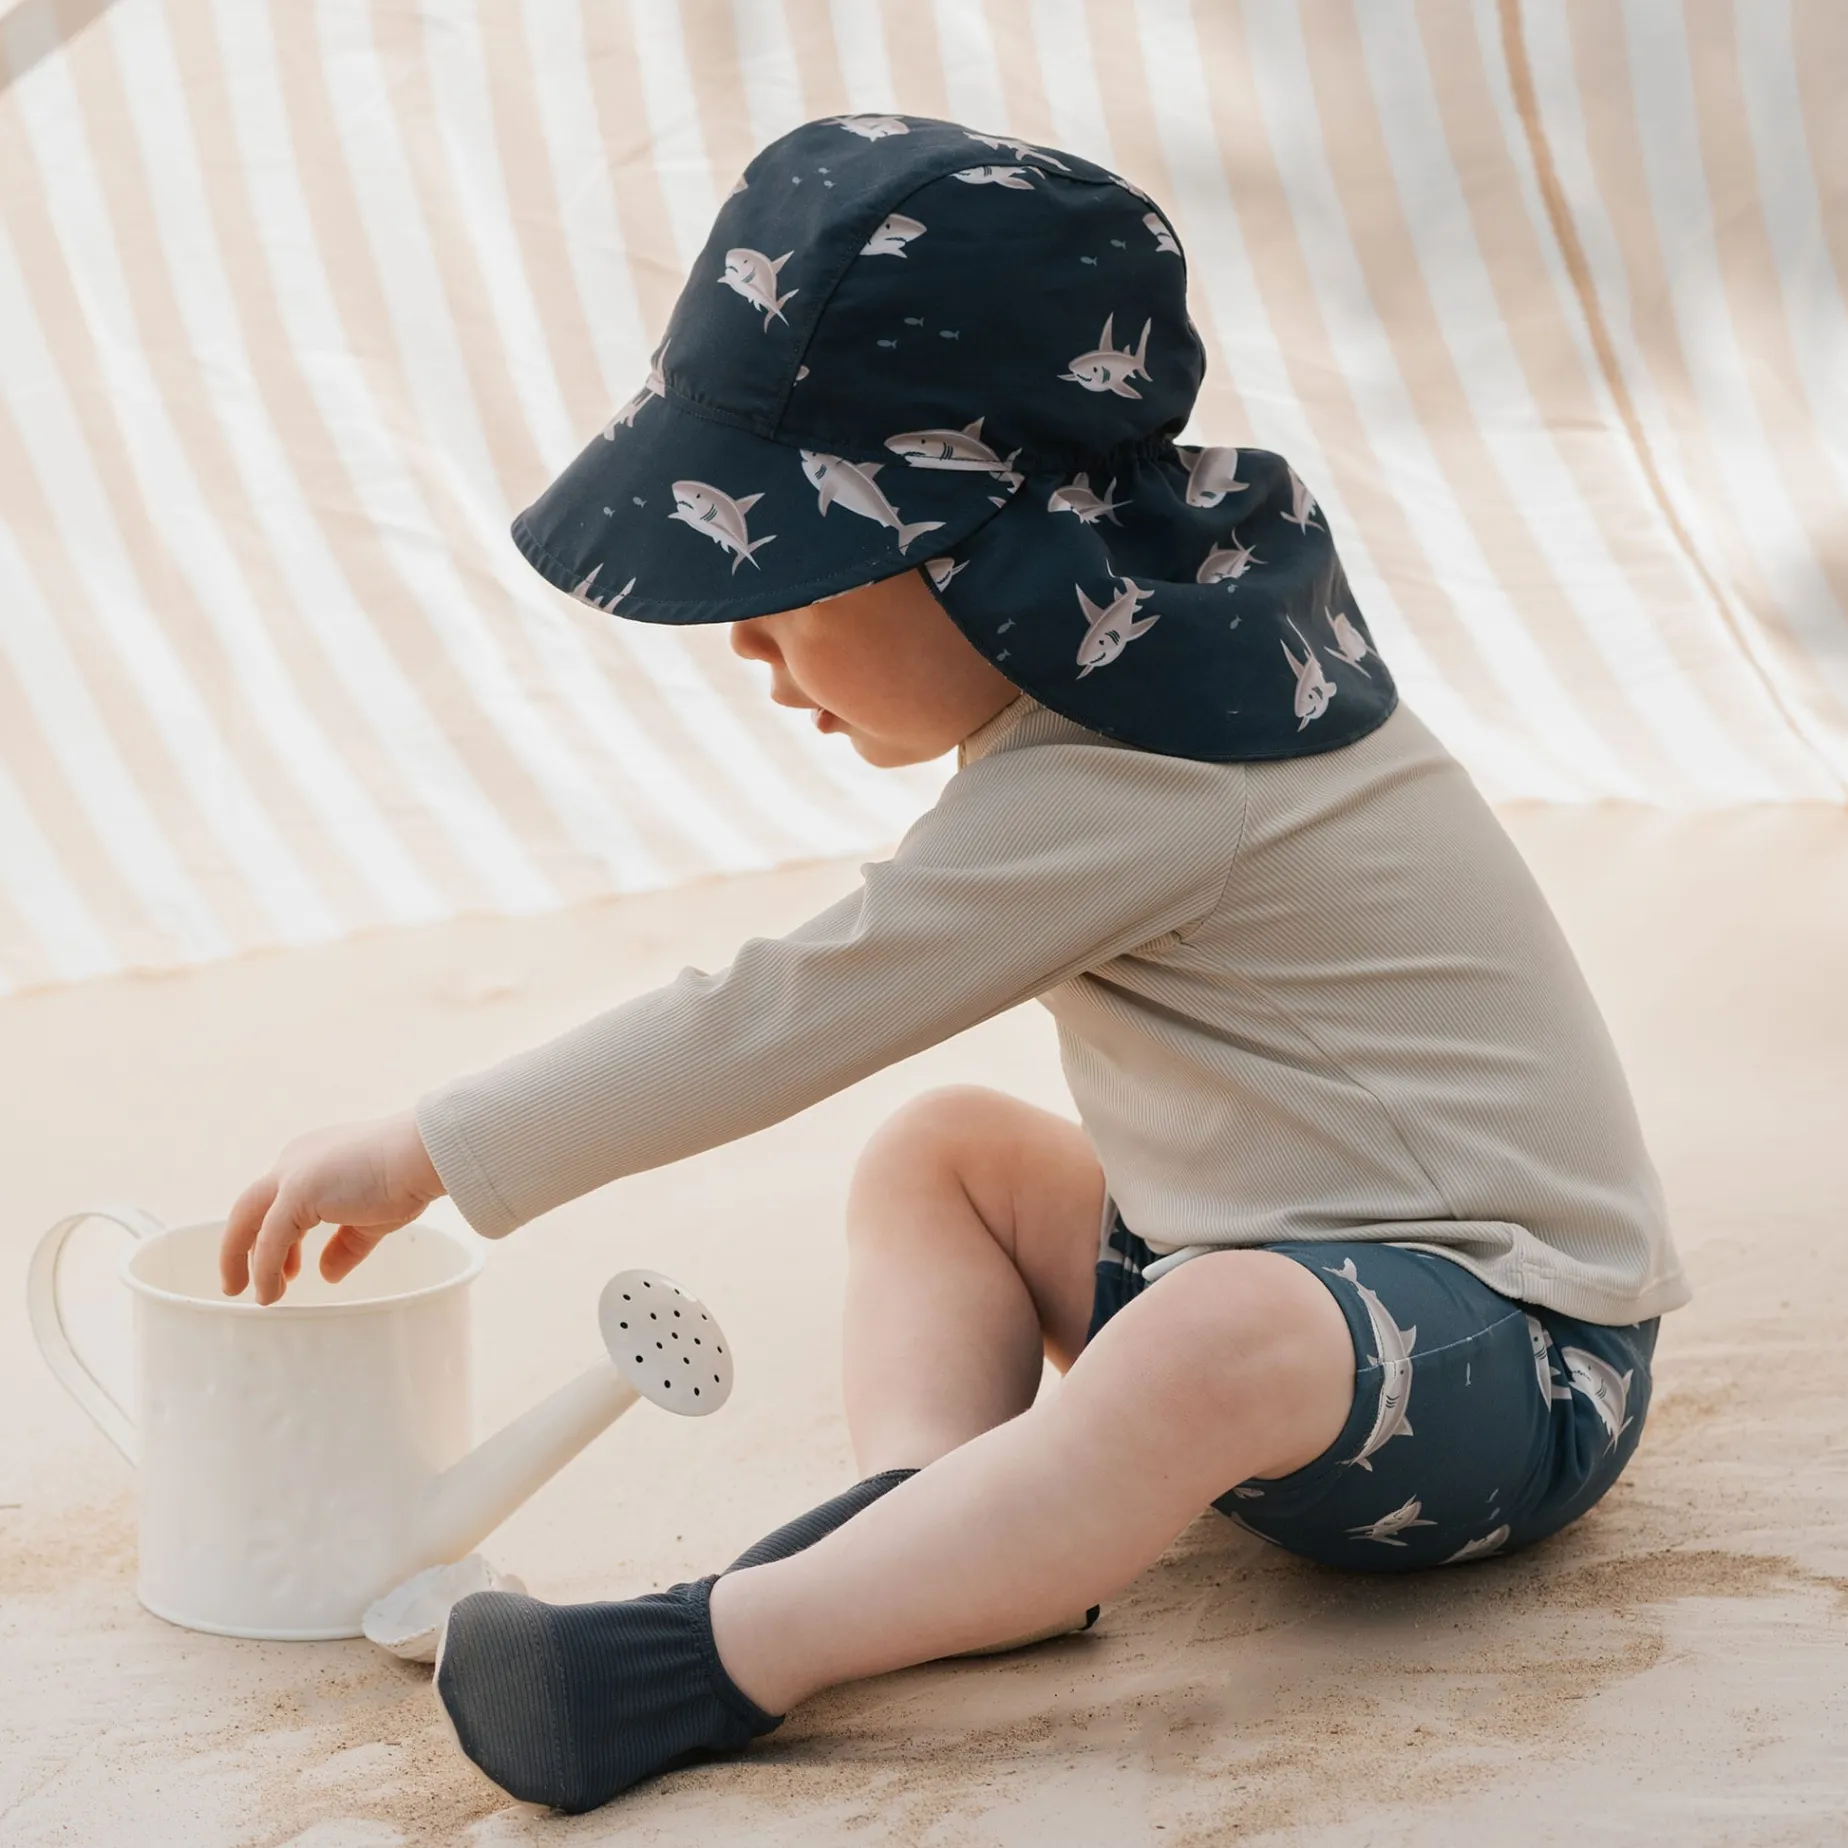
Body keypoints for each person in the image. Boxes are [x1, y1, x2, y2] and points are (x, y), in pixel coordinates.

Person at [218, 115, 1685, 1814]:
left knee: (1218, 1325)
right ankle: (939, 1527)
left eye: (793, 578)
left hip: (1516, 1359)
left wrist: (427, 1149)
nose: (748, 641)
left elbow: (778, 1016)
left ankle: (715, 1657)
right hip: (1272, 1284)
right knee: (949, 1158)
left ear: (982, 556)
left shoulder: (1146, 775)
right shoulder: (1183, 652)